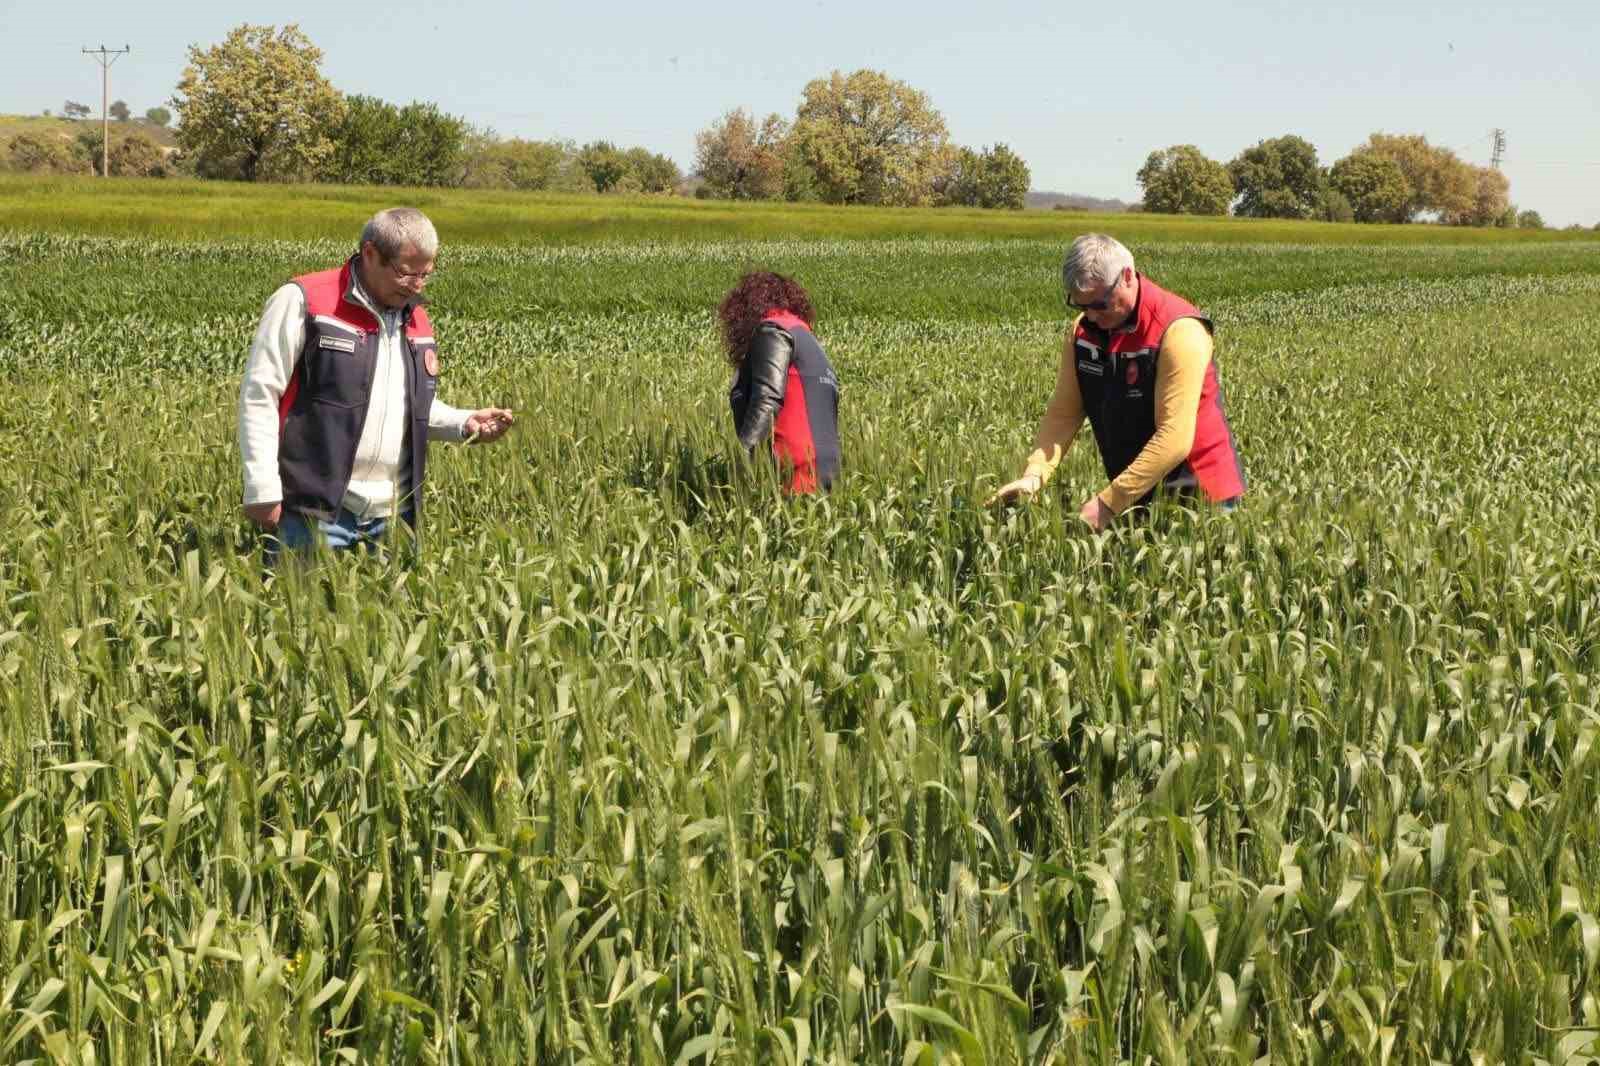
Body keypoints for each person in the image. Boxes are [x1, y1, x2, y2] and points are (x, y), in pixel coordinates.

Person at [238, 207, 513, 560]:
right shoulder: (306, 300)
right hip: (313, 513)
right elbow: (260, 394)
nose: (417, 285)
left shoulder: (416, 320)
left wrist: (463, 423)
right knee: (299, 612)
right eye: (405, 272)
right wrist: (261, 487)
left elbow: (405, 406)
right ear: (370, 254)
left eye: (425, 274)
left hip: (393, 517)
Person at [988, 233, 1244, 528]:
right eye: (1081, 307)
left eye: (1100, 304)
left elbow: (1174, 437)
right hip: (1137, 489)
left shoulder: (1179, 330)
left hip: (1200, 495)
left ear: (1126, 277)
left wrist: (1109, 502)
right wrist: (1034, 475)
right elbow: (1065, 411)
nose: (1092, 317)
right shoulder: (1082, 332)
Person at [719, 270, 841, 494]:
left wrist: (738, 468)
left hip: (794, 474)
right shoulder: (809, 340)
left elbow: (767, 400)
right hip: (829, 473)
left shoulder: (774, 330)